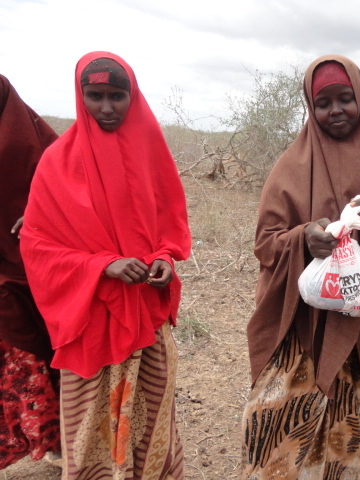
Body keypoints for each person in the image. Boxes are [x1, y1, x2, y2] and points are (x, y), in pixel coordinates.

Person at [241, 55, 360, 479]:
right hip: (298, 326)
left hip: (357, 331)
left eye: (346, 99)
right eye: (324, 102)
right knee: (271, 424)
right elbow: (266, 245)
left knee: (343, 439)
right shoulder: (291, 167)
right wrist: (303, 238)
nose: (336, 110)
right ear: (310, 106)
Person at [20, 52, 191, 480]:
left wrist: (165, 259)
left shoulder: (152, 153)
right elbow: (38, 244)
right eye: (95, 96)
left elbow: (170, 226)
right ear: (80, 97)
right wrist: (102, 266)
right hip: (92, 322)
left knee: (152, 422)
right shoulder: (57, 162)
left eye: (118, 96)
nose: (107, 107)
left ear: (134, 96)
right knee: (90, 433)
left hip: (146, 320)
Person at [0, 74, 62, 470]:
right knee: (22, 359)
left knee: (57, 353)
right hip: (4, 278)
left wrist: (44, 215)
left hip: (48, 266)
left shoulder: (38, 140)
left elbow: (74, 188)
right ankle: (41, 440)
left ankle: (65, 442)